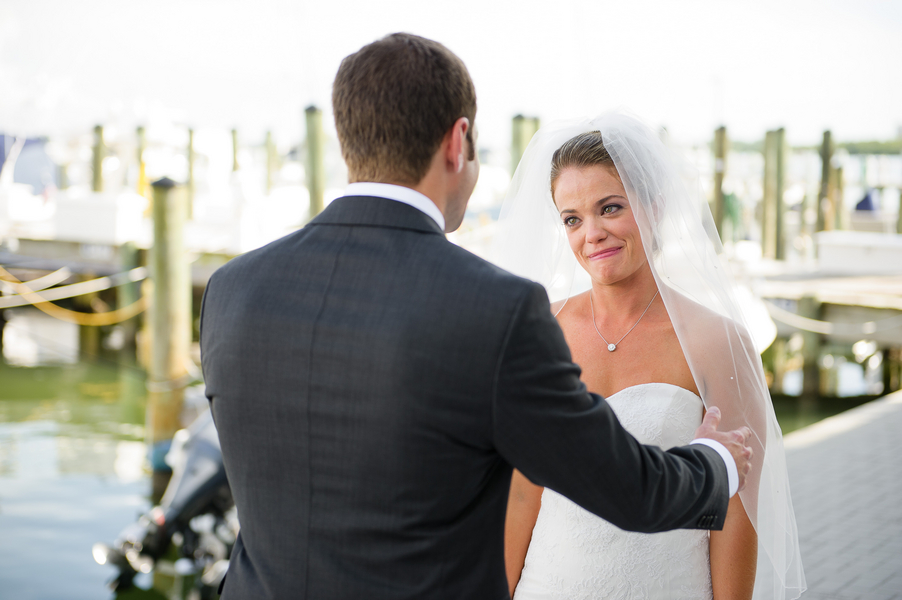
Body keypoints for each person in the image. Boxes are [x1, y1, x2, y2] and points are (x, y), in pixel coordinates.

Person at [199, 35, 753, 600]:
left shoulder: (231, 290)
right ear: (457, 141)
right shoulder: (497, 309)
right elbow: (625, 488)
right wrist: (718, 460)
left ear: (348, 139)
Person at [496, 113, 805, 600]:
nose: (591, 233)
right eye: (572, 219)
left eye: (610, 208)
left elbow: (738, 509)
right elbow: (520, 490)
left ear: (655, 209)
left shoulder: (715, 340)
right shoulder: (541, 329)